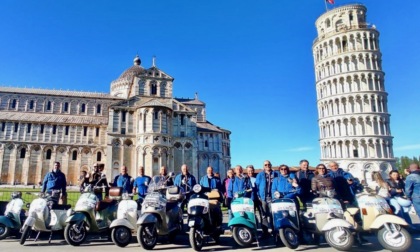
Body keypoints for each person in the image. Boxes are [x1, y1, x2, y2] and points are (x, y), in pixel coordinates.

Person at [255, 160, 280, 238]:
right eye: (265, 165)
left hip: (273, 198)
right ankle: (265, 232)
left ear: (271, 165)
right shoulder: (260, 175)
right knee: (264, 215)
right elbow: (256, 186)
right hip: (263, 198)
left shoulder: (276, 174)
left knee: (273, 215)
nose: (267, 166)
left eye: (268, 164)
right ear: (263, 166)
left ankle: (274, 231)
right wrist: (258, 196)